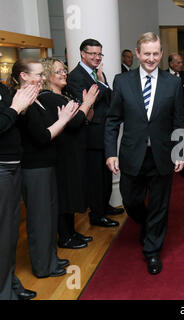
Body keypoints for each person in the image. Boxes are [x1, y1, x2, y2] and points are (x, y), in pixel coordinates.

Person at [105, 32, 184, 275]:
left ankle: (152, 251)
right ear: (138, 54)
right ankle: (148, 223)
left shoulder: (172, 83)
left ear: (161, 55)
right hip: (132, 154)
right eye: (146, 53)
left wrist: (181, 152)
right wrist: (111, 152)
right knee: (130, 201)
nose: (151, 58)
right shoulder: (122, 81)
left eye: (155, 53)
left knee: (160, 205)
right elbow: (112, 120)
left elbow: (180, 120)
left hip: (162, 155)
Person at [17, 58, 81, 278]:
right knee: (40, 220)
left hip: (47, 165)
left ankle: (51, 259)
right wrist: (63, 119)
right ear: (23, 76)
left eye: (42, 75)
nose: (42, 78)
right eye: (38, 74)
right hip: (34, 168)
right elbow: (43, 137)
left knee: (49, 217)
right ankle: (43, 267)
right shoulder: (23, 102)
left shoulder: (35, 100)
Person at [40, 58, 98, 250]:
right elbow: (72, 123)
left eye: (64, 70)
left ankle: (71, 232)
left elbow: (82, 120)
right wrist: (87, 102)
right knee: (64, 195)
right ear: (48, 74)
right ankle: (64, 237)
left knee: (71, 193)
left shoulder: (64, 95)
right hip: (62, 154)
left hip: (73, 152)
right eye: (58, 71)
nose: (64, 74)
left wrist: (86, 108)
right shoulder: (48, 97)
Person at [67, 38, 122, 229]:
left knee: (105, 175)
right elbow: (89, 102)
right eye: (93, 54)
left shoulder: (97, 74)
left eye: (100, 54)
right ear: (83, 54)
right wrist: (102, 85)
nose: (97, 57)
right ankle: (97, 215)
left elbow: (112, 99)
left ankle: (104, 207)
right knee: (95, 178)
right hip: (90, 135)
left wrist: (103, 83)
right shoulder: (75, 76)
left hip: (104, 132)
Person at [1, 62, 40, 300]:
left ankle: (9, 282)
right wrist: (16, 108)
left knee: (10, 233)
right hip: (3, 169)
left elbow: (14, 123)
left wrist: (22, 108)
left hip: (13, 165)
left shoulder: (4, 90)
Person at [168, 53, 184, 178]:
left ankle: (183, 168)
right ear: (171, 64)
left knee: (182, 139)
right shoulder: (163, 75)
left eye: (182, 62)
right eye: (179, 63)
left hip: (181, 115)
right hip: (167, 116)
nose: (181, 65)